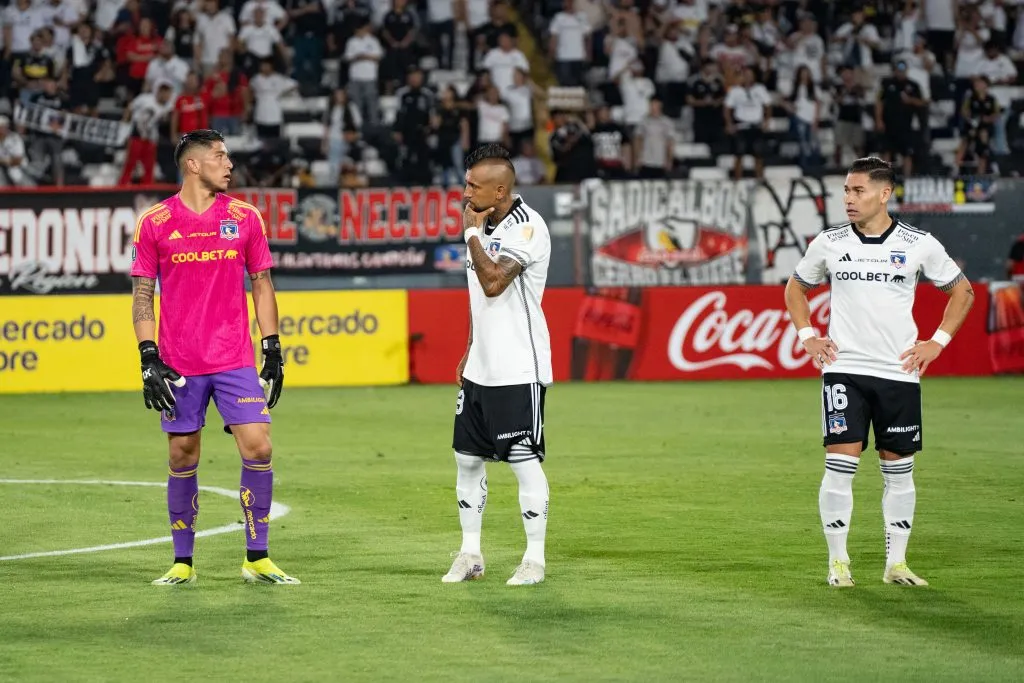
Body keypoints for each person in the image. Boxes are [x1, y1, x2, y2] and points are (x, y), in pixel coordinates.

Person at [784, 157, 975, 588]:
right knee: (839, 465)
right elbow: (797, 287)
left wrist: (937, 342)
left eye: (858, 191)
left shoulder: (918, 242)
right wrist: (808, 335)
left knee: (899, 471)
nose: (849, 199)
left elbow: (962, 291)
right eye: (847, 191)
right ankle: (838, 564)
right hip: (844, 370)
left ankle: (897, 564)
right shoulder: (829, 242)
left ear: (884, 194)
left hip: (898, 372)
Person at [129, 129, 298, 586]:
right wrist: (148, 356)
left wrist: (273, 347)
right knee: (183, 455)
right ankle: (183, 562)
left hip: (234, 356)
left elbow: (262, 283)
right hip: (180, 360)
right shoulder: (155, 221)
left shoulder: (245, 217)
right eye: (220, 157)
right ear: (193, 165)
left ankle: (257, 557)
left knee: (259, 445)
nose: (230, 165)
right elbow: (143, 294)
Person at [445, 143, 552, 587]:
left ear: (501, 188)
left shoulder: (527, 228)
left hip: (517, 368)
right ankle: (470, 554)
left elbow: (492, 283)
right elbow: (477, 297)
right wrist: (471, 346)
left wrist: (471, 234)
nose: (465, 192)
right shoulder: (483, 220)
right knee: (466, 460)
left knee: (522, 460)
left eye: (474, 185)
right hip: (481, 369)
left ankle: (534, 559)